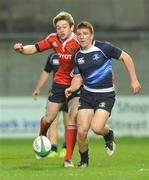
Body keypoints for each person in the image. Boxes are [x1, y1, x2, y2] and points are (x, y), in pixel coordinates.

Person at [65, 21, 141, 167]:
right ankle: (84, 162)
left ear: (91, 35)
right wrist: (71, 88)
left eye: (85, 34)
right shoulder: (76, 55)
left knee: (97, 128)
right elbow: (78, 77)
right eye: (79, 34)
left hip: (105, 95)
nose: (82, 37)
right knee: (81, 131)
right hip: (87, 95)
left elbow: (126, 57)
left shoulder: (103, 47)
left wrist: (134, 80)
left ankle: (108, 134)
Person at [14, 11, 80, 167]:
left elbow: (93, 55)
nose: (61, 30)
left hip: (77, 84)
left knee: (73, 118)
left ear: (71, 27)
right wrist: (22, 49)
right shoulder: (53, 39)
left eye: (64, 26)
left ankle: (68, 158)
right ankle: (41, 137)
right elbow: (35, 48)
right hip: (59, 84)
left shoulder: (79, 40)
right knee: (49, 118)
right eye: (58, 27)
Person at [32, 52, 68, 158]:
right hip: (56, 92)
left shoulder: (73, 54)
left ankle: (66, 148)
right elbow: (46, 72)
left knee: (68, 122)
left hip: (69, 93)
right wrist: (38, 89)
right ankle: (53, 148)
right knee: (52, 122)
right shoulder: (53, 56)